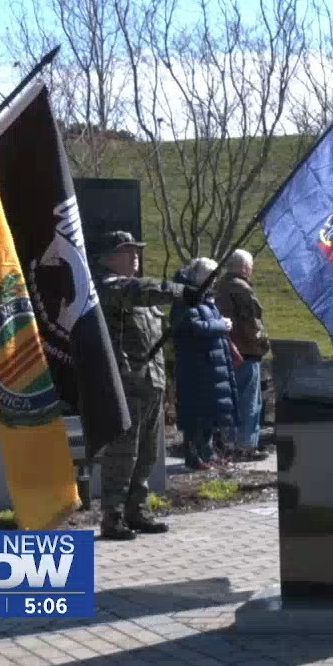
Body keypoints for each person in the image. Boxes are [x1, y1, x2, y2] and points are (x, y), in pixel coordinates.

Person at [94, 231, 202, 541]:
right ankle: (112, 515)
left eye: (137, 250)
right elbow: (137, 291)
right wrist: (178, 290)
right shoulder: (109, 286)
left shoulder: (142, 293)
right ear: (108, 258)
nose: (135, 255)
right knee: (123, 452)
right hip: (127, 384)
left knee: (147, 453)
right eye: (127, 251)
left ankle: (136, 511)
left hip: (151, 382)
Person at [170, 257, 239, 471]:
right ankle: (194, 456)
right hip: (195, 366)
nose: (215, 280)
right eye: (211, 276)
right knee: (196, 414)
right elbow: (192, 326)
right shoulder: (185, 298)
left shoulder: (207, 298)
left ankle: (207, 454)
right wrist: (221, 325)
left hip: (211, 364)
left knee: (209, 414)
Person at [215, 249, 270, 462]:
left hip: (226, 350)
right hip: (246, 351)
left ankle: (228, 444)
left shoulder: (219, 286)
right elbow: (251, 324)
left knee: (231, 401)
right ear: (246, 268)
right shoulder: (242, 289)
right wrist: (263, 342)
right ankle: (246, 446)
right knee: (250, 403)